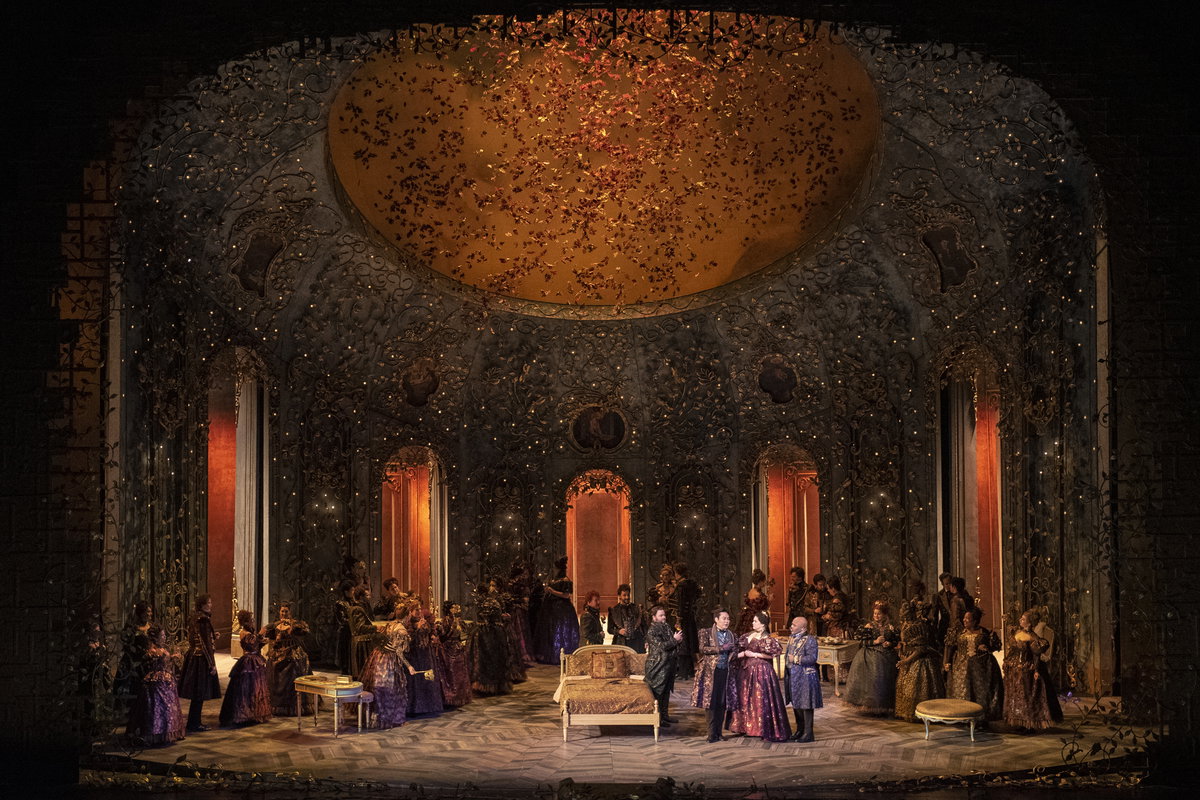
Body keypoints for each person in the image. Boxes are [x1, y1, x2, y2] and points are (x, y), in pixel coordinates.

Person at [729, 611, 790, 742]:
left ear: (763, 624)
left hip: (761, 671)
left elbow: (773, 654)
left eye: (755, 621)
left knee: (759, 698)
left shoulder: (768, 639)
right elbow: (739, 649)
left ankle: (759, 728)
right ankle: (746, 726)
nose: (753, 623)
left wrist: (754, 655)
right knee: (746, 698)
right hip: (745, 671)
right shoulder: (748, 635)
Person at [125, 626, 185, 746]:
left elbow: (165, 663)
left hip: (167, 681)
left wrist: (172, 658)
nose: (164, 637)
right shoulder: (152, 650)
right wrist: (157, 657)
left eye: (164, 635)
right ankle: (156, 734)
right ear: (155, 638)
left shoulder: (162, 648)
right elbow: (148, 662)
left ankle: (169, 733)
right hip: (156, 682)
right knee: (158, 708)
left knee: (169, 708)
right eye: (162, 636)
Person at [1003, 610, 1062, 730]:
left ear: (1029, 623)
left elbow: (1036, 655)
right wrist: (1007, 662)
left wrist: (1036, 669)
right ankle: (1018, 721)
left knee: (1027, 697)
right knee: (1016, 697)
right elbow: (1012, 651)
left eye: (1023, 619)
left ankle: (1029, 724)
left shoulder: (1033, 637)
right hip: (1016, 670)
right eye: (1021, 618)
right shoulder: (1017, 633)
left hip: (1027, 670)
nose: (1020, 620)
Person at [361, 602, 417, 728]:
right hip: (390, 661)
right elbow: (398, 652)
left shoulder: (389, 625)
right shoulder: (402, 630)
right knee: (393, 690)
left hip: (379, 658)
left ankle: (377, 719)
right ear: (408, 615)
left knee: (379, 689)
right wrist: (409, 666)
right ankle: (391, 719)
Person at [894, 585, 945, 722]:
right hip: (907, 658)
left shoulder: (919, 626)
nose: (903, 617)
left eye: (905, 615)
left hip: (919, 660)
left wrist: (907, 660)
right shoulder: (905, 625)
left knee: (919, 687)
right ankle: (909, 712)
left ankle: (924, 712)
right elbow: (904, 642)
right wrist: (901, 649)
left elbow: (921, 648)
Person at [944, 607, 1003, 721]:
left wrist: (987, 648)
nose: (964, 620)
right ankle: (962, 716)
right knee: (963, 690)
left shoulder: (985, 633)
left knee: (981, 691)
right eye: (964, 618)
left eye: (968, 619)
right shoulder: (958, 632)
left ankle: (981, 717)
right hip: (961, 667)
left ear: (975, 621)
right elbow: (950, 646)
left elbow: (995, 646)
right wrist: (947, 662)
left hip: (981, 667)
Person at [692, 608, 739, 743]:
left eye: (728, 619)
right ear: (716, 619)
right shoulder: (706, 632)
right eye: (724, 618)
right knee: (711, 702)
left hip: (726, 672)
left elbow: (736, 650)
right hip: (710, 672)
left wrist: (733, 652)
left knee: (722, 702)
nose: (727, 621)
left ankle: (719, 732)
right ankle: (711, 733)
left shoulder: (732, 635)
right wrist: (720, 648)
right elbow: (702, 648)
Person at [845, 600, 900, 715]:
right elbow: (860, 641)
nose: (876, 616)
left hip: (888, 656)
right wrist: (875, 641)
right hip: (870, 656)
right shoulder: (868, 626)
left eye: (879, 614)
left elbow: (896, 641)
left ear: (884, 614)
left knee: (886, 678)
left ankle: (884, 705)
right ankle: (870, 706)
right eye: (875, 613)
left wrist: (889, 643)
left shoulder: (890, 627)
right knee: (875, 677)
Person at [219, 610, 271, 727]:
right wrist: (260, 634)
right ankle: (244, 713)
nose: (252, 622)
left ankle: (254, 712)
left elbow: (256, 644)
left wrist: (262, 641)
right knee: (246, 688)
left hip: (256, 660)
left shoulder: (250, 632)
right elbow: (252, 645)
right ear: (246, 621)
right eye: (251, 620)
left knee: (256, 688)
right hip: (249, 661)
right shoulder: (244, 633)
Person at [178, 594, 220, 732]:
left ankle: (194, 722)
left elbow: (198, 638)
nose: (211, 605)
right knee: (199, 692)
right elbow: (204, 643)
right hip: (201, 659)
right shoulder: (203, 620)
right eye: (209, 602)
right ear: (202, 605)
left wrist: (213, 636)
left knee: (197, 692)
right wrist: (211, 664)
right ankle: (194, 723)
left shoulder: (195, 617)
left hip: (194, 656)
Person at [265, 602, 314, 716]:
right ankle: (276, 704)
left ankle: (295, 705)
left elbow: (303, 633)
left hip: (292, 654)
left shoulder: (295, 624)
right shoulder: (275, 625)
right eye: (282, 611)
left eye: (286, 611)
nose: (284, 613)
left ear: (290, 612)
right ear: (279, 612)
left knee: (292, 673)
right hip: (277, 654)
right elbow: (267, 634)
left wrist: (290, 627)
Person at [469, 579, 514, 695]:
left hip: (485, 633)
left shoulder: (482, 602)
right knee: (497, 658)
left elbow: (486, 618)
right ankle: (498, 685)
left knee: (484, 659)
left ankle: (485, 685)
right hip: (497, 632)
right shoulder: (494, 601)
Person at [532, 556, 578, 664]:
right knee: (552, 632)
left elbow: (566, 595)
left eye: (555, 568)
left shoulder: (565, 580)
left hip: (562, 610)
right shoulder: (554, 580)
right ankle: (553, 654)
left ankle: (561, 655)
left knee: (561, 632)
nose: (554, 570)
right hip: (552, 610)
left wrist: (552, 591)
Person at [114, 601, 154, 720]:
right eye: (147, 612)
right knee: (132, 687)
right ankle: (129, 714)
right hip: (133, 662)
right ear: (140, 613)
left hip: (148, 661)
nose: (149, 614)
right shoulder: (132, 627)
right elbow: (126, 642)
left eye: (150, 611)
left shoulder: (152, 627)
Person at [784, 615, 822, 742]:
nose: (791, 627)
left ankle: (808, 733)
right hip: (793, 676)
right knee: (796, 703)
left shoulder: (810, 640)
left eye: (794, 625)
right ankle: (799, 730)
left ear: (803, 628)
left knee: (806, 704)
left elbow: (812, 658)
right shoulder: (791, 638)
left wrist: (795, 659)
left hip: (805, 677)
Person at [644, 605, 682, 727]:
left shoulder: (666, 627)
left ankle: (665, 716)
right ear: (654, 617)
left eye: (664, 615)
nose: (664, 617)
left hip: (668, 664)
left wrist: (678, 640)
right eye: (661, 615)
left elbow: (670, 644)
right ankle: (658, 719)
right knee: (658, 693)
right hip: (658, 666)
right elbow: (662, 646)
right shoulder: (652, 630)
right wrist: (675, 640)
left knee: (666, 691)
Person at [405, 599, 445, 716]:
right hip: (416, 655)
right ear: (410, 611)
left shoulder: (424, 620)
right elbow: (409, 640)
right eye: (416, 609)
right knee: (417, 680)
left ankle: (429, 705)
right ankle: (416, 707)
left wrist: (433, 635)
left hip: (427, 653)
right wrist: (417, 628)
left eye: (419, 609)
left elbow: (431, 631)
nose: (419, 611)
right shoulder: (408, 623)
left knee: (428, 678)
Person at [435, 600, 472, 707]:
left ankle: (461, 696)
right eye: (453, 608)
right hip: (448, 649)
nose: (456, 609)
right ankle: (451, 697)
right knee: (451, 672)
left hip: (458, 648)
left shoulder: (458, 620)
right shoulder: (445, 621)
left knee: (460, 672)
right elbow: (442, 636)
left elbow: (463, 633)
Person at [672, 562, 700, 679]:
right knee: (689, 644)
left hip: (683, 618)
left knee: (683, 643)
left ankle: (683, 672)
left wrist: (678, 619)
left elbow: (680, 604)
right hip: (691, 617)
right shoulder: (692, 584)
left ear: (677, 573)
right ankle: (690, 671)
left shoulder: (681, 586)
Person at [348, 585, 378, 680]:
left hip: (362, 643)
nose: (369, 598)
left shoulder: (360, 607)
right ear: (361, 597)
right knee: (363, 673)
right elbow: (360, 628)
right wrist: (376, 627)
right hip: (361, 644)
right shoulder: (357, 609)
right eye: (367, 595)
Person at [607, 584, 647, 652]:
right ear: (619, 596)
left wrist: (646, 640)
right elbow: (609, 629)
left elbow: (644, 626)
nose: (627, 597)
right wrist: (618, 631)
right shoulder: (614, 611)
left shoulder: (636, 608)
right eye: (624, 595)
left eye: (628, 595)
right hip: (621, 642)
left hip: (637, 642)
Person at [735, 568, 772, 635]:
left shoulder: (751, 591)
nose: (765, 583)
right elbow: (764, 608)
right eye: (764, 581)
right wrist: (770, 600)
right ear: (760, 582)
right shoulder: (759, 595)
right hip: (756, 618)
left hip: (747, 618)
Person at [333, 579, 356, 674]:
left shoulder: (353, 602)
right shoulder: (340, 603)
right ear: (346, 592)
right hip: (345, 632)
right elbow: (341, 620)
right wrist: (353, 622)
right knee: (345, 653)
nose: (353, 592)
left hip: (353, 631)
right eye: (352, 590)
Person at [822, 575, 854, 640]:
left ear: (833, 588)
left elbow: (838, 615)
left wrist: (827, 616)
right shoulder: (843, 595)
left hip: (839, 627)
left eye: (828, 588)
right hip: (845, 625)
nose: (828, 590)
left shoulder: (837, 598)